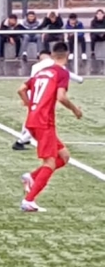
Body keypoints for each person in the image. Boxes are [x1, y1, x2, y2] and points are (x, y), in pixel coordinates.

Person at [18, 41, 82, 213]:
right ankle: (29, 200)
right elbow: (61, 97)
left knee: (64, 156)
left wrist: (30, 106)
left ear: (52, 55)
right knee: (50, 162)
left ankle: (31, 177)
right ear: (67, 55)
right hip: (44, 122)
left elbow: (21, 89)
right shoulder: (61, 72)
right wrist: (75, 110)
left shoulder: (42, 72)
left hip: (33, 120)